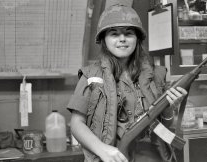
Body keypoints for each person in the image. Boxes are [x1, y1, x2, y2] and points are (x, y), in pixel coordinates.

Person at [67, 3, 187, 162]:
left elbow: (165, 123)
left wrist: (170, 109)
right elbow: (76, 124)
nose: (122, 39)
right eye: (114, 34)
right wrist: (102, 149)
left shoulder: (157, 74)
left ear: (137, 38)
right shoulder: (91, 75)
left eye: (128, 33)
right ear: (104, 39)